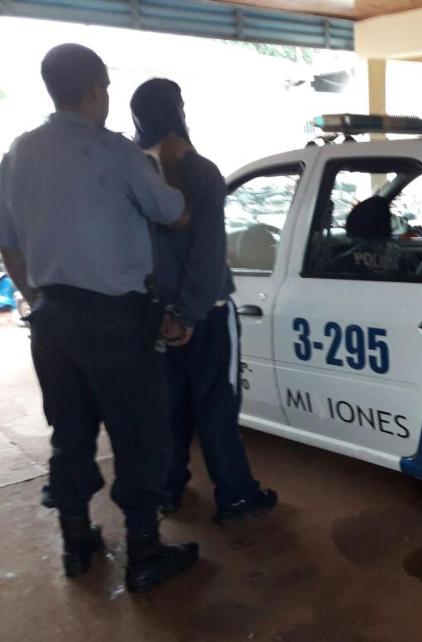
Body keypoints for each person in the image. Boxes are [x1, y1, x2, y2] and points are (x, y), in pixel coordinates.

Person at [0, 44, 199, 593]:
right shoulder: (115, 152)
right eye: (105, 87)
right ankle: (144, 551)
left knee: (70, 432)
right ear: (95, 90)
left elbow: (8, 244)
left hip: (52, 322)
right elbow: (177, 215)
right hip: (116, 323)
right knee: (140, 434)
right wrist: (171, 167)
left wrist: (37, 299)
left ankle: (76, 543)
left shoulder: (18, 154)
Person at [130, 78, 277, 525]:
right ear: (177, 111)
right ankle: (234, 495)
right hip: (206, 314)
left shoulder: (133, 173)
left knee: (168, 408)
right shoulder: (200, 171)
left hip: (155, 314)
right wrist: (189, 313)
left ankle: (168, 490)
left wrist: (166, 311)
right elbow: (209, 252)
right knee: (217, 406)